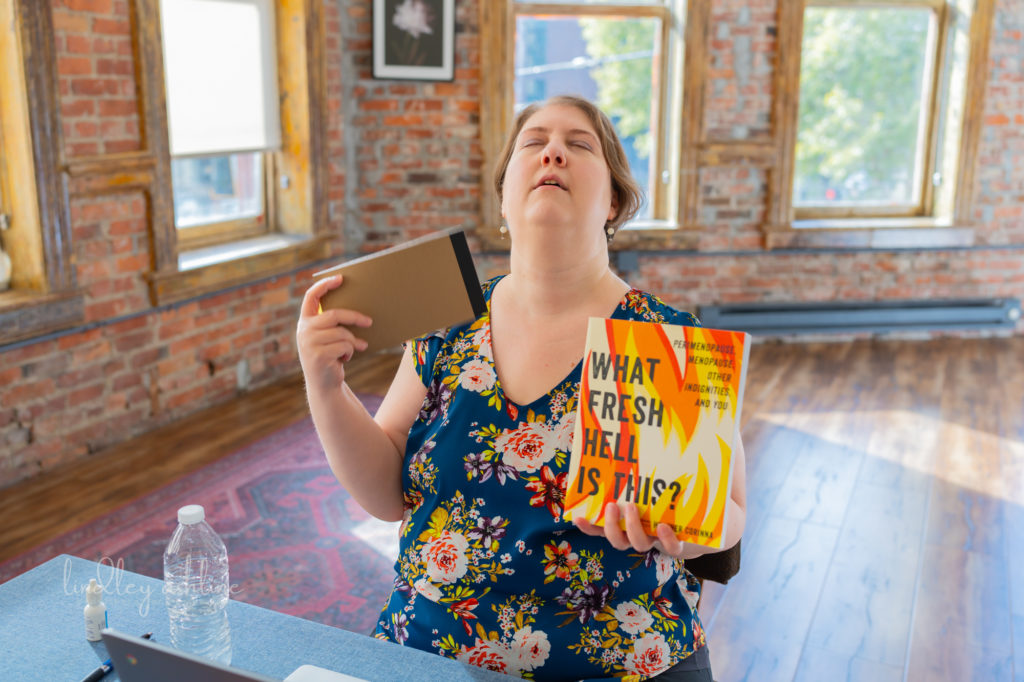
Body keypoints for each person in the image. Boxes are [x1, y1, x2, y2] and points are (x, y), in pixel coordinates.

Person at [296, 95, 746, 681]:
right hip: (430, 654)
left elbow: (730, 512)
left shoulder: (667, 339)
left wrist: (686, 537)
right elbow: (386, 496)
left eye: (579, 145)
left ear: (613, 200)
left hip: (623, 663)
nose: (553, 151)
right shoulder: (446, 322)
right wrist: (326, 388)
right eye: (533, 143)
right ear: (505, 195)